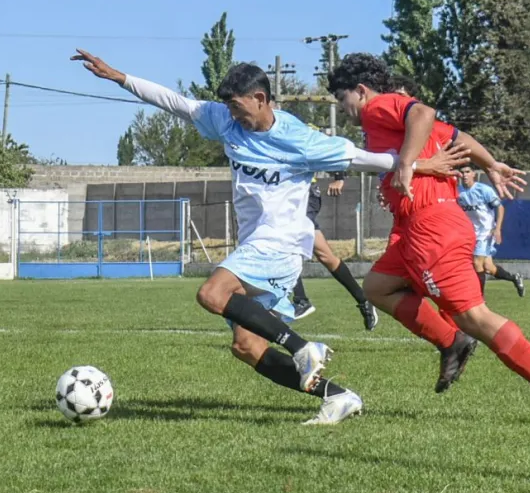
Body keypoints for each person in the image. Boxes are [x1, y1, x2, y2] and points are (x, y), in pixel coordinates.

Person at [72, 50, 467, 425]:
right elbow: (176, 102)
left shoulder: (299, 139)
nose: (232, 115)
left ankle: (302, 348)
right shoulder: (227, 121)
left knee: (211, 294)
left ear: (261, 99)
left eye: (238, 106)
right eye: (227, 107)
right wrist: (118, 77)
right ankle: (339, 396)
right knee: (247, 346)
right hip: (255, 244)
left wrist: (418, 164)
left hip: (281, 243)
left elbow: (361, 158)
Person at [328, 53, 530, 424]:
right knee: (377, 287)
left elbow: (423, 113)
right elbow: (456, 136)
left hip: (432, 228)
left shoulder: (378, 107)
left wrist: (408, 166)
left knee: (474, 316)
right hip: (414, 228)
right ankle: (451, 341)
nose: (342, 107)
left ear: (360, 91)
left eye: (341, 98)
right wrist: (490, 164)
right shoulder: (392, 123)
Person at [290, 169, 378, 330]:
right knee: (325, 255)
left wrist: (339, 176)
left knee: (287, 243)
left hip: (304, 195)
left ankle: (301, 300)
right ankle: (363, 300)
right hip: (289, 198)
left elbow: (328, 146)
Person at [457, 169, 526, 298]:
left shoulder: (484, 190)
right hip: (470, 233)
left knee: (477, 263)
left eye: (468, 172)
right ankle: (515, 278)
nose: (465, 175)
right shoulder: (458, 192)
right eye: (462, 172)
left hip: (486, 231)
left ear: (473, 175)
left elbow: (500, 207)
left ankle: (479, 299)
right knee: (488, 267)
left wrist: (497, 229)